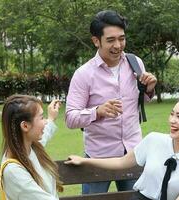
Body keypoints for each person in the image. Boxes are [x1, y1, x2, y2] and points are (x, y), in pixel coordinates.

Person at [65, 10, 157, 194]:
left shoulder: (135, 62)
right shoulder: (84, 74)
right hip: (99, 158)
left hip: (133, 153)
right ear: (96, 41)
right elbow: (70, 118)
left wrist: (149, 89)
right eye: (111, 40)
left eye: (122, 38)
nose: (118, 45)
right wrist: (97, 111)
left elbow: (141, 99)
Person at [65, 95, 179, 200]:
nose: (172, 120)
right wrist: (85, 161)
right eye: (172, 114)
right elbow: (121, 162)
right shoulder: (154, 140)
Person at [0, 95, 63, 200]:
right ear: (25, 126)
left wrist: (51, 118)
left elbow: (45, 134)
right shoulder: (14, 171)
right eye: (42, 117)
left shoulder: (30, 147)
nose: (45, 122)